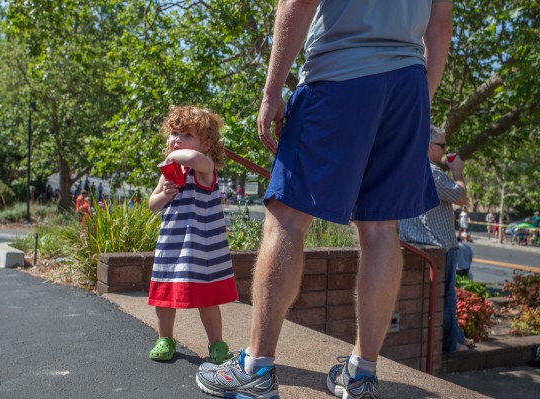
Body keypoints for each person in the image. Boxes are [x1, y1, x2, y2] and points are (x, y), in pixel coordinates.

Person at [196, 1, 453, 398]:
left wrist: (272, 90)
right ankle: (362, 375)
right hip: (408, 87)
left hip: (340, 76)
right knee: (381, 227)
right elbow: (439, 28)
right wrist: (420, 100)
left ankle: (256, 368)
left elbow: (296, 3)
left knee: (287, 218)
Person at [147, 105, 238, 365]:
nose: (177, 139)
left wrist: (178, 156)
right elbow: (153, 205)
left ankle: (216, 343)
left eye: (187, 135)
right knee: (164, 296)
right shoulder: (168, 171)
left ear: (206, 144)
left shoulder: (203, 168)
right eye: (174, 133)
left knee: (206, 298)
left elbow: (197, 160)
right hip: (172, 244)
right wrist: (165, 193)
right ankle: (165, 338)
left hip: (202, 247)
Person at [399, 125, 470, 355]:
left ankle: (456, 336)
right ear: (429, 146)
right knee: (446, 298)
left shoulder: (406, 168)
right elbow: (462, 198)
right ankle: (451, 345)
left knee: (440, 298)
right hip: (441, 246)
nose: (445, 150)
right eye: (442, 145)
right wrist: (458, 172)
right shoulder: (434, 172)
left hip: (417, 244)